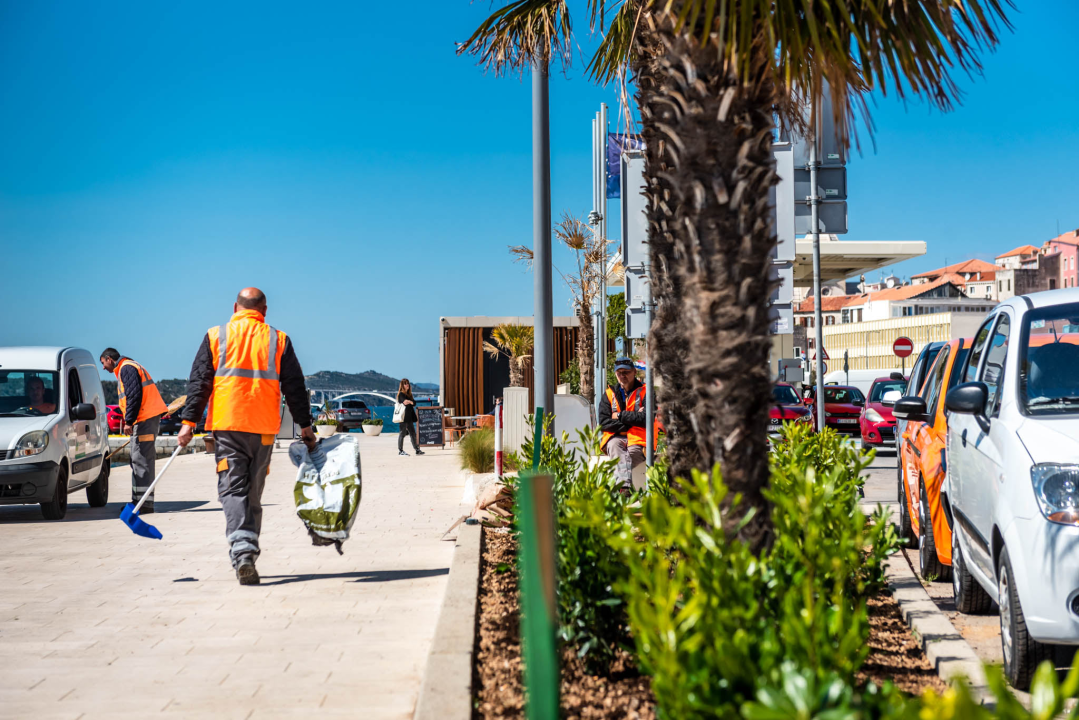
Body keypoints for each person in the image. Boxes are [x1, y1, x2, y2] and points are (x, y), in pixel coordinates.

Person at [177, 287, 316, 586]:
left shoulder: (216, 335)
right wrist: (305, 426)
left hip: (228, 425)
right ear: (264, 310)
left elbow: (200, 381)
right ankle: (246, 551)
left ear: (235, 307)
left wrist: (188, 422)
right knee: (252, 491)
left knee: (233, 488)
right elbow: (294, 386)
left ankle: (242, 552)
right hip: (263, 428)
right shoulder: (278, 339)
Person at [100, 348, 168, 512]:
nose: (103, 367)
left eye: (103, 363)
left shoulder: (126, 368)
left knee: (141, 460)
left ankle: (143, 504)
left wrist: (129, 421)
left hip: (144, 420)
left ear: (109, 359)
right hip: (146, 419)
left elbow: (134, 396)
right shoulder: (130, 366)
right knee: (139, 459)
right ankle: (141, 501)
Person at [598, 357, 649, 491]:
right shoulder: (609, 394)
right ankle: (625, 490)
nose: (622, 375)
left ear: (634, 372)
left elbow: (646, 418)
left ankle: (619, 489)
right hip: (615, 437)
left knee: (625, 457)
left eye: (626, 372)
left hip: (639, 440)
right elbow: (603, 422)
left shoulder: (646, 391)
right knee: (614, 446)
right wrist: (633, 419)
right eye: (619, 373)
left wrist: (619, 416)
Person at [396, 378, 424, 456]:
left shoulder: (409, 395)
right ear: (402, 385)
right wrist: (410, 402)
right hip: (403, 417)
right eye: (405, 383)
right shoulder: (401, 394)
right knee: (402, 433)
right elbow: (404, 402)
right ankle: (400, 451)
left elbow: (414, 403)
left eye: (408, 383)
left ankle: (417, 449)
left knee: (413, 434)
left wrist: (410, 402)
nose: (407, 385)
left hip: (409, 417)